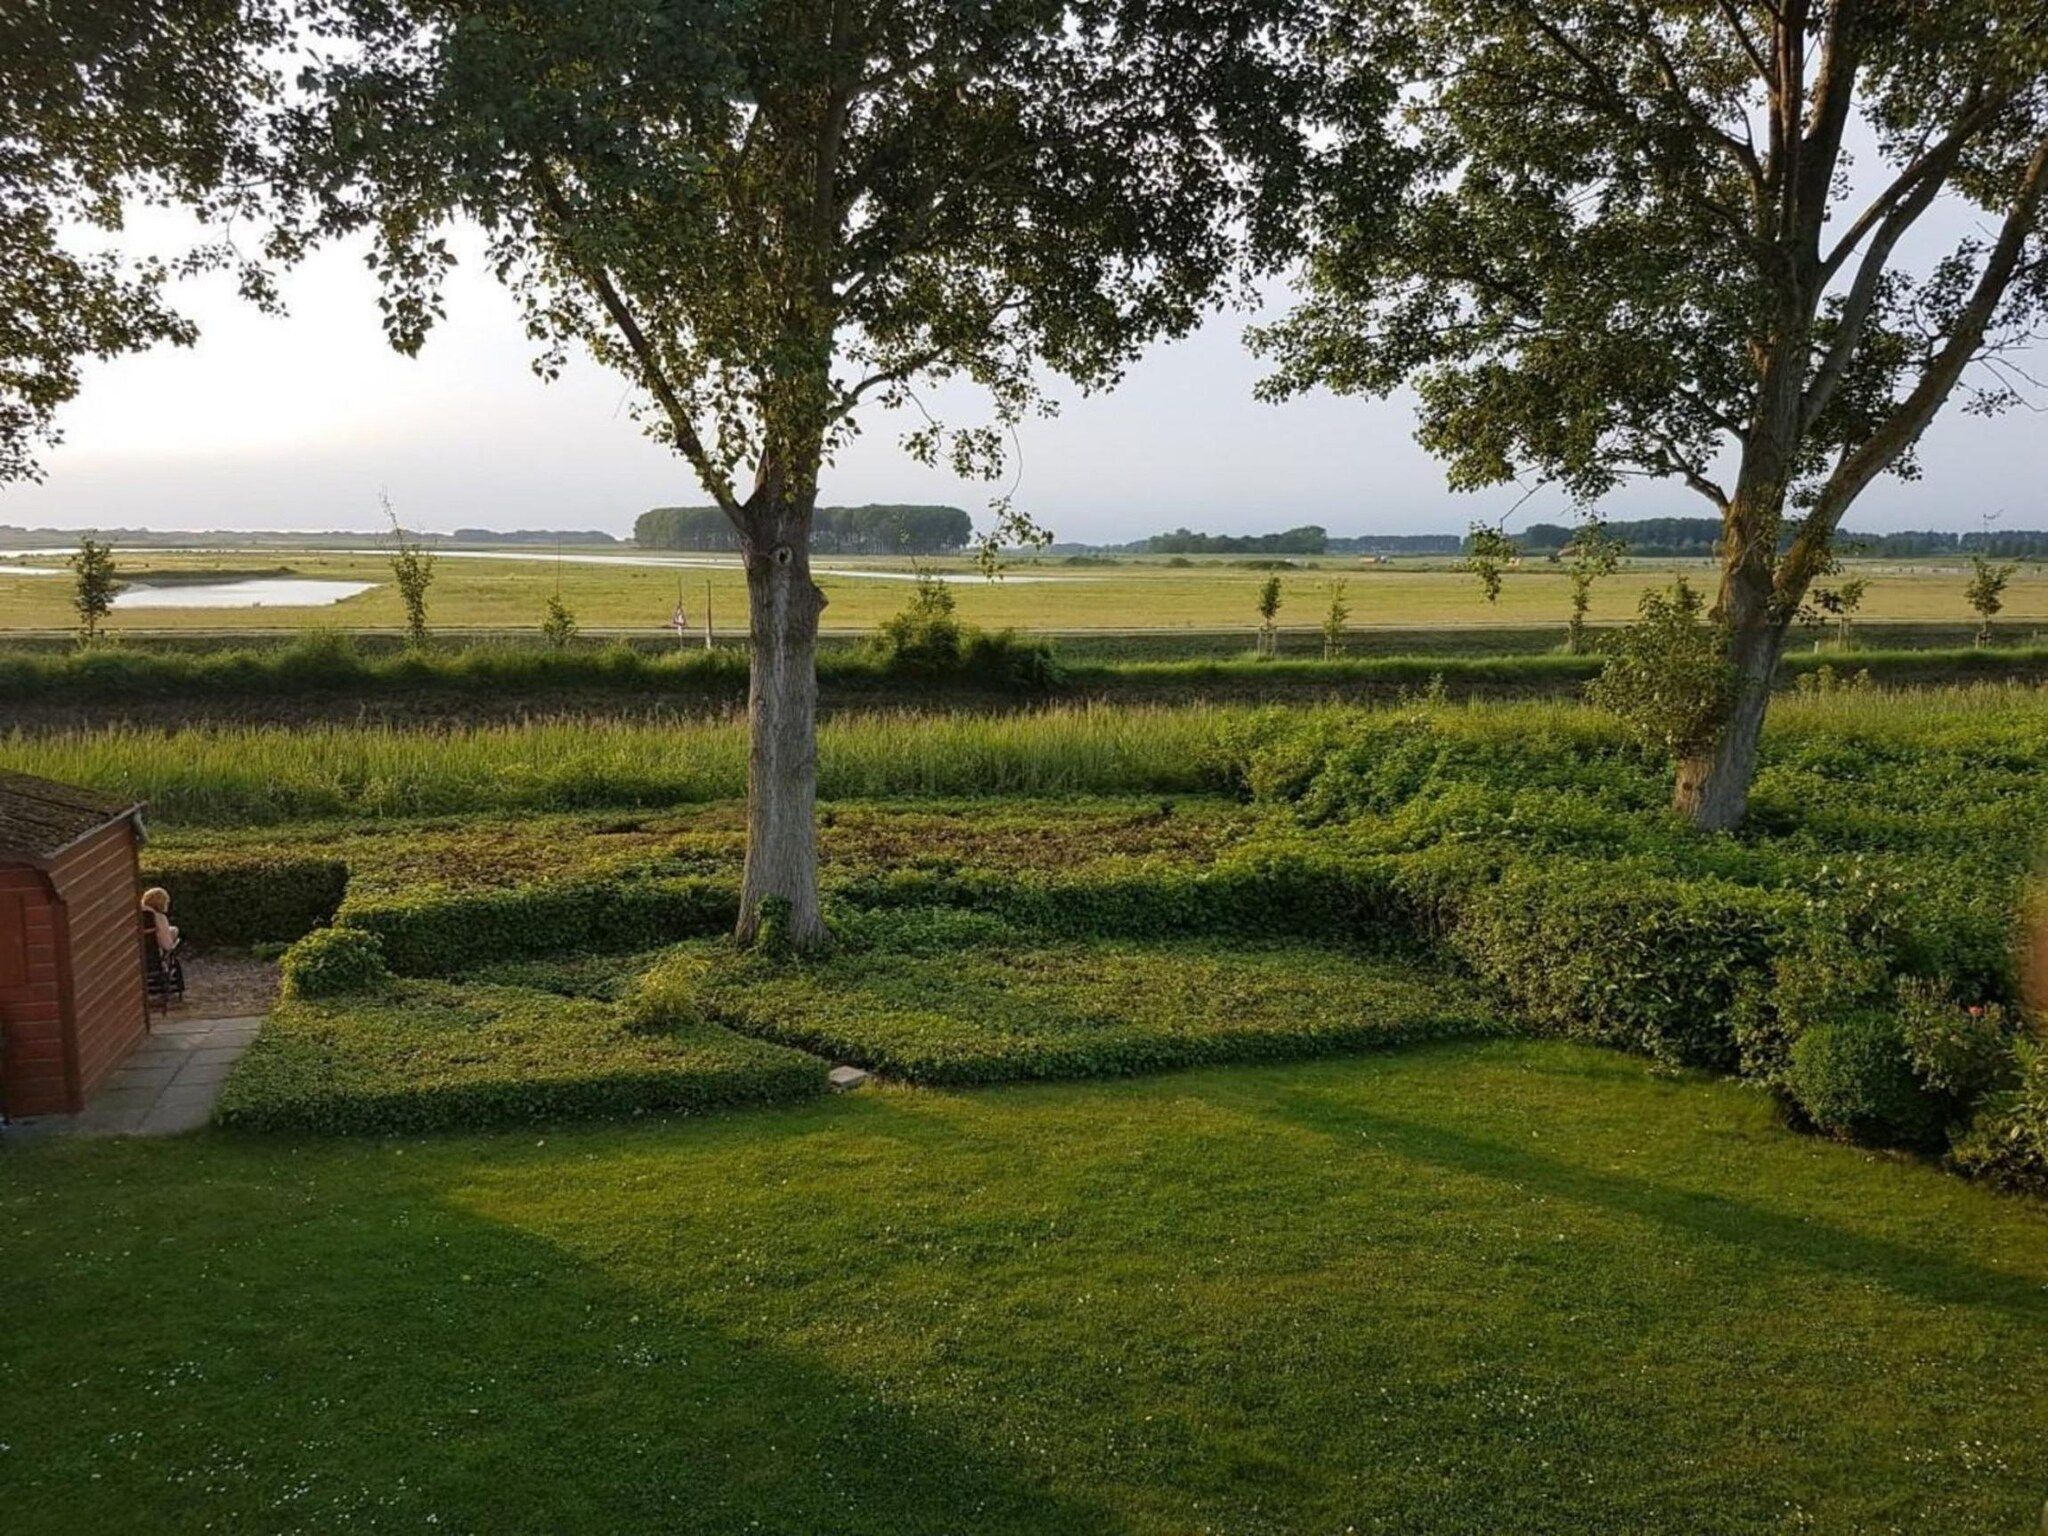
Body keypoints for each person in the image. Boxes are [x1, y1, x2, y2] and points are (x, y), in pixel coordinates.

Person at [140, 886, 180, 956]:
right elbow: (167, 945)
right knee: (174, 930)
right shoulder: (160, 918)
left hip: (139, 953)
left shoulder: (138, 914)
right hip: (153, 955)